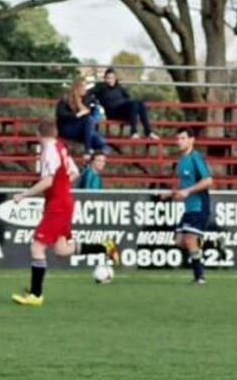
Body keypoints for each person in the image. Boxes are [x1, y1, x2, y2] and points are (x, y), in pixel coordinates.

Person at [8, 119, 84, 307]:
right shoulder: (60, 147)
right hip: (61, 202)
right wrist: (62, 186)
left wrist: (24, 194)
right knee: (61, 249)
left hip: (58, 205)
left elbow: (48, 181)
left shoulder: (49, 150)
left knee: (37, 246)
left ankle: (36, 295)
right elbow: (74, 173)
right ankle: (104, 247)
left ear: (38, 134)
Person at [156, 127, 213, 283]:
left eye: (183, 138)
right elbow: (184, 185)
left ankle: (199, 277)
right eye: (178, 138)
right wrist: (171, 193)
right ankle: (209, 244)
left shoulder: (195, 157)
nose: (179, 141)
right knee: (180, 241)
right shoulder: (181, 161)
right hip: (188, 208)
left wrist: (188, 191)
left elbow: (208, 181)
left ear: (191, 140)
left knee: (189, 240)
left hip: (200, 205)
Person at [90, 67, 154, 138]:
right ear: (105, 79)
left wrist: (127, 104)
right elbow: (88, 93)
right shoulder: (101, 87)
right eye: (108, 78)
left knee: (139, 103)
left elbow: (128, 97)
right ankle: (134, 132)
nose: (110, 80)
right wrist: (94, 100)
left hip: (123, 111)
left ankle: (148, 132)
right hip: (113, 112)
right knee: (135, 103)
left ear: (115, 78)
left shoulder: (119, 87)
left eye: (112, 78)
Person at [54, 79, 109, 154]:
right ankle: (88, 150)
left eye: (85, 86)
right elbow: (60, 113)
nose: (85, 89)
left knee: (99, 141)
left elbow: (88, 115)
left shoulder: (85, 99)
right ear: (76, 88)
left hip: (81, 129)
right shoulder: (65, 98)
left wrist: (83, 107)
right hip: (66, 127)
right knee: (90, 127)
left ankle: (97, 153)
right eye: (83, 86)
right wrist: (76, 115)